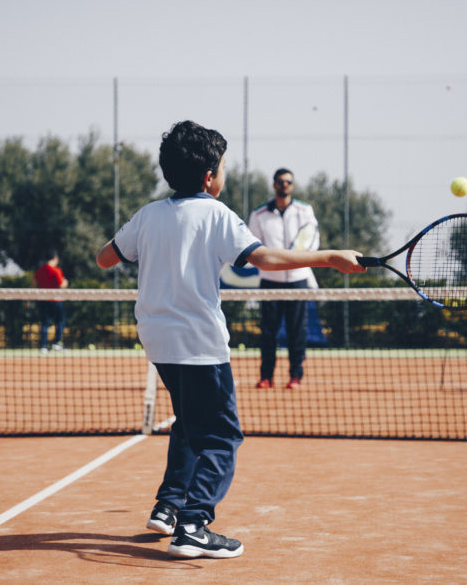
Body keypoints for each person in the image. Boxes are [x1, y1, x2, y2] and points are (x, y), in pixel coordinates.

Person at [96, 120, 364, 560]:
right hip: (200, 344)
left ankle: (169, 506)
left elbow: (105, 257)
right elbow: (267, 259)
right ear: (209, 177)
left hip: (158, 343)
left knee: (188, 421)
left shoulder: (148, 215)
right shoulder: (217, 214)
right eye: (222, 167)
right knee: (222, 437)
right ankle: (194, 524)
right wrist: (331, 258)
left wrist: (145, 238)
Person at [247, 168, 319, 390]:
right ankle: (266, 376)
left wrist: (296, 258)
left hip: (298, 281)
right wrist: (273, 261)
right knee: (268, 332)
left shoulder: (305, 211)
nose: (284, 185)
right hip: (269, 282)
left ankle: (295, 376)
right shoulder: (258, 215)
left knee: (297, 331)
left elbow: (312, 241)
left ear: (293, 186)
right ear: (274, 184)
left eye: (288, 181)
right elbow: (254, 247)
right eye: (280, 181)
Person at [34, 247, 68, 353]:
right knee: (60, 322)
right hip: (56, 301)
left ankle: (43, 346)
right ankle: (57, 343)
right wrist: (65, 282)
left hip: (43, 300)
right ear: (55, 258)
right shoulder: (56, 270)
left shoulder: (39, 270)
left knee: (44, 323)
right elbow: (61, 284)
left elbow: (34, 283)